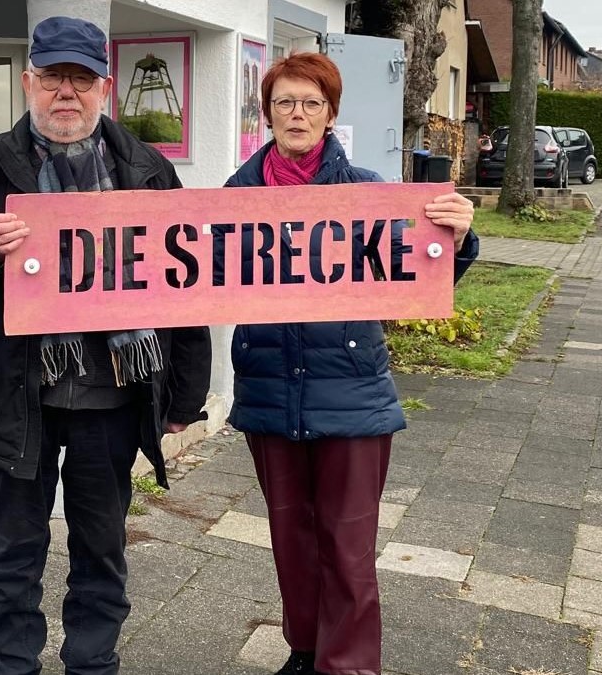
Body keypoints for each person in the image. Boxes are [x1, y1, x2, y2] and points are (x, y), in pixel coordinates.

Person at [0, 16, 212, 675]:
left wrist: (184, 395)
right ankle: (12, 663)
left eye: (81, 80)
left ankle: (92, 662)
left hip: (114, 395)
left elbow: (185, 288)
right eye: (53, 77)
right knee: (13, 551)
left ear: (104, 89)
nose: (66, 93)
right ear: (28, 82)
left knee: (102, 549)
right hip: (16, 392)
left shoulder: (147, 171)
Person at [224, 52, 479, 675]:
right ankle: (306, 650)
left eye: (311, 103)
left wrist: (457, 238)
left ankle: (350, 666)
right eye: (285, 102)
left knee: (348, 546)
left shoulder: (368, 193)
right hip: (269, 391)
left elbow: (418, 274)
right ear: (267, 114)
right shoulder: (235, 196)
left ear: (331, 114)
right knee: (291, 540)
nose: (298, 114)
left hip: (351, 394)